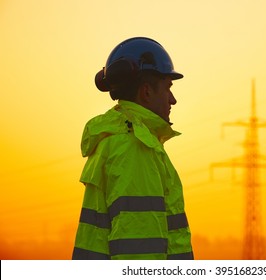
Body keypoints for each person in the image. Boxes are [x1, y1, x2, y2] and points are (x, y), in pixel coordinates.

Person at [72, 37, 193, 260]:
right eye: (167, 88)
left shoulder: (116, 140)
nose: (173, 99)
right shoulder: (135, 146)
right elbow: (139, 253)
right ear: (146, 92)